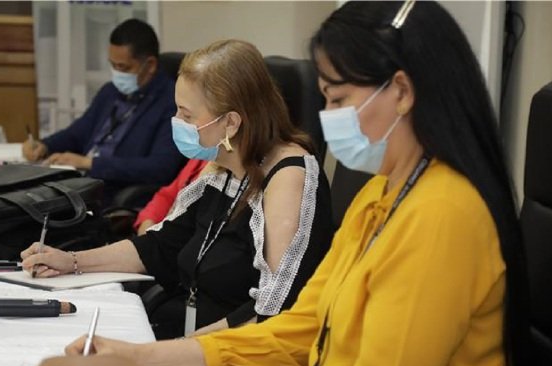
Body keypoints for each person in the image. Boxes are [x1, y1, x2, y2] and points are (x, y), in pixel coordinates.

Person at [36, 1, 530, 366]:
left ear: (400, 91)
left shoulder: (443, 217)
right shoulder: (382, 194)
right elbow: (301, 330)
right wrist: (138, 359)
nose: (328, 114)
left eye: (337, 99)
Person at [22, 39, 334, 340]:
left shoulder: (289, 177)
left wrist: (179, 352)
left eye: (186, 115)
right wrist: (72, 261)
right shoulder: (224, 168)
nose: (176, 122)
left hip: (233, 361)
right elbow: (161, 246)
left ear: (231, 124)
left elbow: (274, 306)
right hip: (188, 336)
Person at [22, 18, 185, 205]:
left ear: (150, 65)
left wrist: (90, 163)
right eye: (112, 65)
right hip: (80, 183)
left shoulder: (172, 102)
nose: (116, 73)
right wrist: (44, 145)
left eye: (123, 67)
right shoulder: (110, 91)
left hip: (112, 193)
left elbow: (160, 168)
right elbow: (78, 133)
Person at [133, 158, 208, 236]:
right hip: (162, 232)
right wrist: (148, 221)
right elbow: (167, 195)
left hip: (186, 237)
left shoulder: (217, 170)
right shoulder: (198, 158)